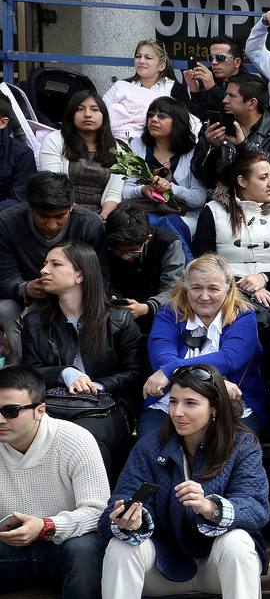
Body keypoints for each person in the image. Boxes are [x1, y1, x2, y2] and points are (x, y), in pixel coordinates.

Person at [87, 364, 269, 599]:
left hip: (218, 564)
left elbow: (257, 508)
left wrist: (210, 507)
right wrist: (128, 518)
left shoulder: (242, 444)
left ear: (213, 407)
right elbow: (116, 503)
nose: (178, 412)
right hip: (165, 565)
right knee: (119, 547)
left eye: (190, 403)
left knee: (239, 542)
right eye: (173, 402)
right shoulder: (152, 444)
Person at [0, 365, 109, 599]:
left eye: (10, 411)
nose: (1, 419)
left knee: (86, 550)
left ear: (40, 411)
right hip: (9, 545)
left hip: (62, 544)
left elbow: (97, 512)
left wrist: (47, 525)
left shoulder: (74, 440)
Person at [21, 242, 144, 471]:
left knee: (84, 438)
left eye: (55, 264)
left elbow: (135, 373)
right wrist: (64, 373)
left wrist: (98, 385)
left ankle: (96, 504)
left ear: (80, 275)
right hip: (53, 403)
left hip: (107, 406)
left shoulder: (118, 319)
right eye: (45, 263)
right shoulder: (35, 321)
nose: (44, 270)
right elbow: (28, 374)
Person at [141, 254, 268, 436]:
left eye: (213, 289)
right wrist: (217, 382)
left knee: (230, 449)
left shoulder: (243, 316)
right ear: (186, 289)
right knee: (150, 445)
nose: (204, 296)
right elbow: (162, 358)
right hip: (172, 404)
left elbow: (229, 358)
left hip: (232, 406)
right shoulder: (169, 313)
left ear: (228, 289)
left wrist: (170, 371)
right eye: (196, 288)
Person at [0, 171, 108, 354]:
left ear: (71, 207)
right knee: (6, 309)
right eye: (42, 216)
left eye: (59, 216)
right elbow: (5, 275)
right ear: (30, 208)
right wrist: (24, 288)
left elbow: (100, 277)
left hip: (78, 297)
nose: (51, 225)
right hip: (29, 299)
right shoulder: (7, 222)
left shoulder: (89, 225)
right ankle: (16, 370)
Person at [191, 152, 270, 310]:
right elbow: (204, 263)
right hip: (227, 289)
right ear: (242, 181)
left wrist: (263, 278)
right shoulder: (212, 211)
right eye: (262, 178)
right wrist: (249, 286)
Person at [192, 74, 270, 191]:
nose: (224, 100)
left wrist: (244, 145)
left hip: (269, 204)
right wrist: (211, 147)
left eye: (231, 96)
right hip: (226, 202)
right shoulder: (215, 128)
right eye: (226, 95)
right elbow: (198, 174)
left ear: (251, 103)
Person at [126, 96, 210, 243]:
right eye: (151, 114)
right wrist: (143, 190)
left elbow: (199, 198)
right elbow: (125, 190)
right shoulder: (137, 146)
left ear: (178, 122)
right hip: (143, 214)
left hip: (182, 218)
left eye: (162, 116)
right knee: (150, 224)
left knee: (167, 225)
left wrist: (170, 188)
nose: (154, 119)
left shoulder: (192, 152)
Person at [38, 90, 121, 218]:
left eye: (94, 109)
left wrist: (104, 216)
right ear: (71, 114)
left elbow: (114, 193)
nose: (87, 114)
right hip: (62, 212)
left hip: (103, 216)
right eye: (80, 109)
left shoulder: (118, 149)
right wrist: (83, 218)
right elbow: (54, 185)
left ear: (104, 115)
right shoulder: (54, 140)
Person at [105, 205, 186, 328]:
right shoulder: (106, 244)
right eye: (119, 251)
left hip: (160, 310)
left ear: (147, 239)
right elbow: (102, 278)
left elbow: (172, 289)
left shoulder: (168, 244)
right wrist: (114, 299)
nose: (125, 257)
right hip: (115, 308)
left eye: (133, 251)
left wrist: (147, 307)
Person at [101, 39, 189, 140]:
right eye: (138, 56)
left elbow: (184, 122)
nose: (141, 61)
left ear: (161, 66)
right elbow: (101, 112)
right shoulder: (122, 85)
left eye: (148, 58)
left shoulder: (174, 89)